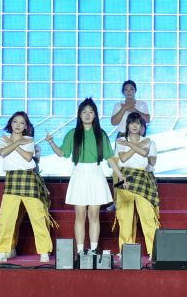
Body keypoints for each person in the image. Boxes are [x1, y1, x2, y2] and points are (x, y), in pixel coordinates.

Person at [45, 98, 124, 255]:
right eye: (84, 112)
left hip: (96, 173)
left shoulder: (101, 134)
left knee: (94, 214)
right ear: (79, 114)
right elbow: (62, 153)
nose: (87, 115)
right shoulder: (73, 133)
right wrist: (51, 142)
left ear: (95, 115)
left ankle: (94, 250)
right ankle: (80, 251)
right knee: (80, 215)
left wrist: (120, 174)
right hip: (79, 174)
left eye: (91, 112)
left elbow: (109, 157)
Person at [0, 111, 55, 263]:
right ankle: (2, 250)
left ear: (26, 126)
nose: (18, 125)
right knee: (6, 218)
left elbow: (28, 157)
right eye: (15, 122)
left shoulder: (29, 139)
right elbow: (2, 152)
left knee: (37, 217)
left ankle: (44, 251)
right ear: (11, 123)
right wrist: (15, 143)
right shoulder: (4, 138)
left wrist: (15, 144)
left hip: (28, 179)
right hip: (12, 179)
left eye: (22, 123)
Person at [114, 112, 160, 256]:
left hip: (142, 178)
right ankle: (125, 250)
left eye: (138, 123)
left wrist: (130, 145)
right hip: (125, 177)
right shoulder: (120, 140)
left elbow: (146, 155)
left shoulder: (148, 140)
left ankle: (154, 251)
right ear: (127, 125)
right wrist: (135, 147)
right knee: (125, 217)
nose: (134, 126)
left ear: (142, 126)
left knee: (148, 216)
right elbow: (123, 158)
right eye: (132, 123)